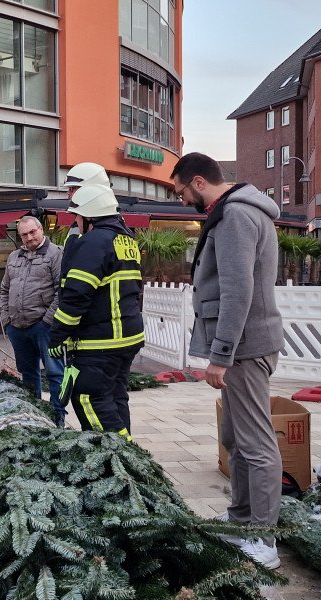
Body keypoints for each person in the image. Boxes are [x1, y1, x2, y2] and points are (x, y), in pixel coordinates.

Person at [171, 152, 283, 569]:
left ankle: (263, 540)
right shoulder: (237, 210)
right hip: (246, 345)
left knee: (255, 445)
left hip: (245, 349)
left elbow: (239, 292)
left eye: (181, 191)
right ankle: (241, 519)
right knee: (236, 439)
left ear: (199, 181)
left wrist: (220, 356)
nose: (182, 201)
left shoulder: (235, 215)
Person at [47, 184, 144, 441]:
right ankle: (125, 452)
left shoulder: (93, 242)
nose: (76, 223)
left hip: (102, 340)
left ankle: (122, 456)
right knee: (114, 397)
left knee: (89, 399)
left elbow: (77, 295)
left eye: (77, 217)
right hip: (126, 336)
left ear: (90, 216)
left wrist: (57, 336)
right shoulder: (126, 239)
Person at [0, 216, 66, 424]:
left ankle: (58, 420)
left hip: (44, 326)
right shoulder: (14, 257)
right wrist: (6, 320)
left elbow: (61, 291)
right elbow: (4, 290)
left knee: (55, 374)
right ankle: (34, 418)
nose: (29, 238)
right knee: (28, 374)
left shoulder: (56, 254)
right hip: (17, 327)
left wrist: (47, 321)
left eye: (32, 232)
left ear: (40, 229)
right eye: (24, 235)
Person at [62, 162, 112, 247]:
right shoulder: (80, 220)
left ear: (90, 190)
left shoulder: (107, 227)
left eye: (72, 189)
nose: (68, 193)